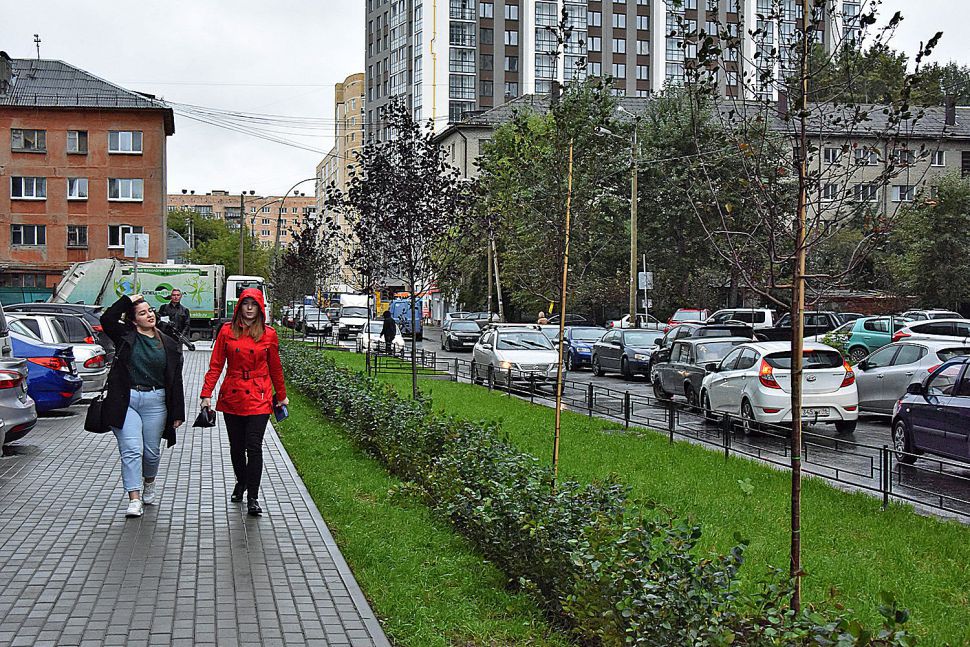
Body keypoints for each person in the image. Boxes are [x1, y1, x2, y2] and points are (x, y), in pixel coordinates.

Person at [200, 288, 287, 517]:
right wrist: (206, 394)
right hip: (233, 393)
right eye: (246, 304)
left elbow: (276, 368)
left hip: (259, 394)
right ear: (239, 307)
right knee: (236, 447)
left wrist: (282, 394)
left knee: (254, 445)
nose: (249, 308)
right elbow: (216, 365)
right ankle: (241, 481)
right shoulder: (227, 331)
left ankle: (253, 497)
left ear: (260, 308)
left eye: (254, 304)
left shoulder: (268, 334)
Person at [100, 294, 185, 518]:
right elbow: (107, 319)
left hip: (156, 401)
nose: (149, 315)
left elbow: (175, 378)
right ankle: (134, 499)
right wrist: (127, 300)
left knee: (151, 453)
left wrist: (178, 412)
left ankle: (149, 482)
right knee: (131, 450)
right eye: (142, 313)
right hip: (126, 400)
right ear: (133, 320)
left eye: (150, 311)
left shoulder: (167, 341)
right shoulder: (125, 336)